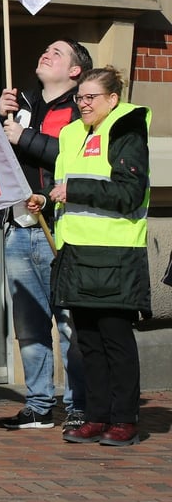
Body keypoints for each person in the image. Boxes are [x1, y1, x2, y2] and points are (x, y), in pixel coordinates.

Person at [32, 66, 150, 447]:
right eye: (80, 97)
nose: (82, 104)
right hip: (76, 252)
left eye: (90, 97)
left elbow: (129, 193)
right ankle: (97, 416)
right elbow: (64, 188)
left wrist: (74, 189)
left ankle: (124, 419)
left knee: (115, 339)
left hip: (115, 253)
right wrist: (46, 200)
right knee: (88, 342)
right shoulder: (70, 134)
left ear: (112, 99)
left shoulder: (126, 129)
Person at [0, 39, 92, 432]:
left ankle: (79, 403)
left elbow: (72, 155)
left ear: (74, 70)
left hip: (59, 228)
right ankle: (37, 405)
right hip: (18, 226)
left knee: (70, 323)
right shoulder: (21, 104)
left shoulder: (81, 108)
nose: (45, 54)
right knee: (30, 325)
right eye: (45, 50)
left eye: (57, 52)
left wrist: (23, 137)